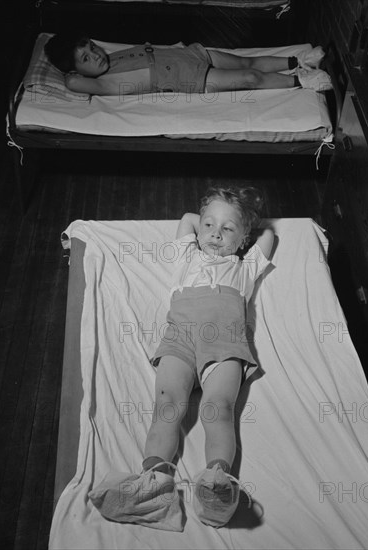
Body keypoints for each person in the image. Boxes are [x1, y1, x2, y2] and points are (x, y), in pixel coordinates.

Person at [88, 186, 275, 532]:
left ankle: (217, 484)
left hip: (225, 346)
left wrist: (242, 221)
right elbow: (186, 220)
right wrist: (208, 217)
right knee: (167, 405)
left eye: (228, 229)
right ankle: (155, 484)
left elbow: (268, 235)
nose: (215, 233)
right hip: (180, 341)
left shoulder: (244, 268)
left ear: (243, 238)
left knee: (218, 409)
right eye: (209, 225)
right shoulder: (186, 256)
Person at [44, 32, 332, 96]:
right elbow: (71, 82)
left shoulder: (108, 58)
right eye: (85, 58)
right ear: (75, 70)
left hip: (190, 55)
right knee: (249, 76)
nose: (95, 55)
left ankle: (297, 60)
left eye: (92, 47)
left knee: (248, 60)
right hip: (190, 78)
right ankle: (300, 80)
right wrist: (69, 72)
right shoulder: (99, 82)